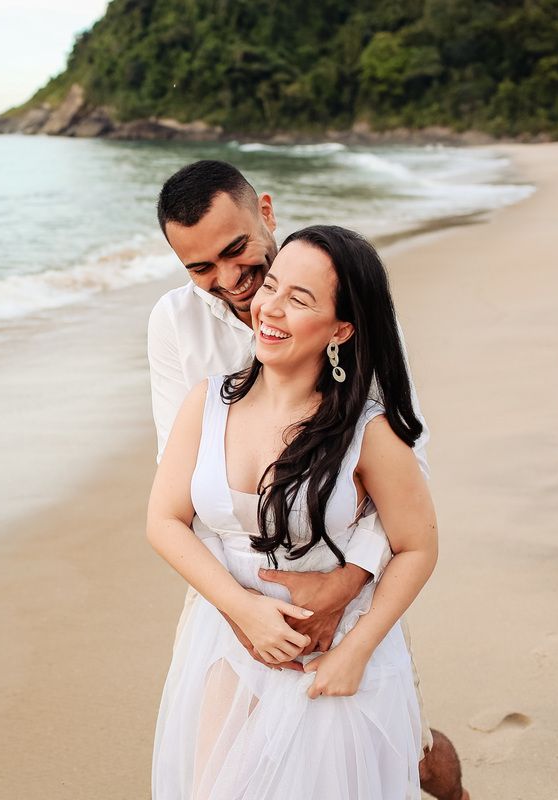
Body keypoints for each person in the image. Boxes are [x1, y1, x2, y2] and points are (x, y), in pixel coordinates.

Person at [147, 161, 467, 800]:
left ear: (265, 212)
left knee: (409, 751)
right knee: (226, 773)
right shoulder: (176, 326)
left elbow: (406, 474)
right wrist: (240, 608)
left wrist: (342, 588)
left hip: (345, 562)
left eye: (237, 252)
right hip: (230, 580)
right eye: (200, 268)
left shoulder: (347, 303)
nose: (231, 283)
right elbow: (180, 486)